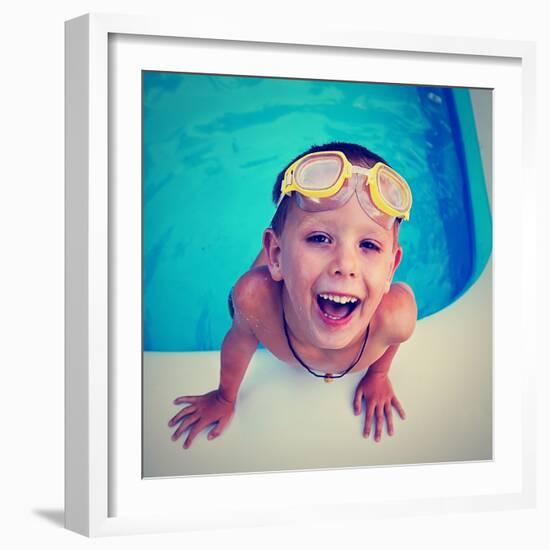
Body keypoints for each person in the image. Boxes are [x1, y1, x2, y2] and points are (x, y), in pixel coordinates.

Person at [168, 141, 417, 449]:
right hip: (270, 282)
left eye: (369, 245)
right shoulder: (257, 302)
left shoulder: (396, 318)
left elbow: (392, 341)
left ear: (391, 269)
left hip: (296, 272)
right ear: (275, 252)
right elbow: (239, 340)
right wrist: (224, 397)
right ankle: (279, 253)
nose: (345, 265)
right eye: (320, 237)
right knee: (240, 301)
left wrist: (378, 375)